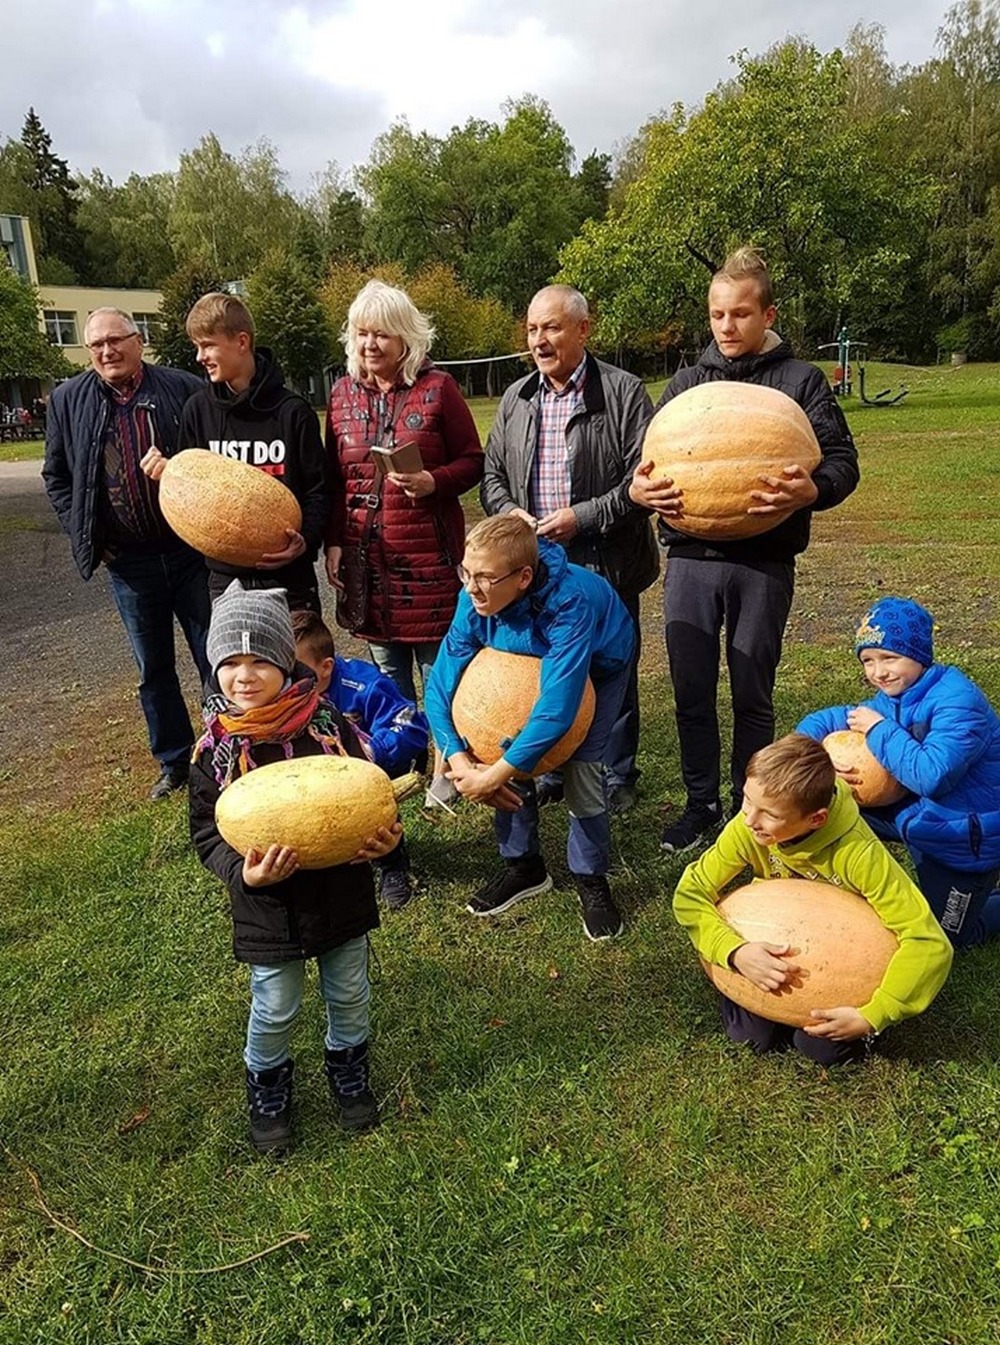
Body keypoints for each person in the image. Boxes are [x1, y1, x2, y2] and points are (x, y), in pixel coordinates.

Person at [630, 247, 859, 852]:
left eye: (739, 314)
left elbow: (842, 462)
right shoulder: (685, 385)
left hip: (764, 562)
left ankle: (748, 803)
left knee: (753, 688)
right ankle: (700, 801)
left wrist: (815, 488)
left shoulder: (801, 380)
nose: (726, 327)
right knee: (692, 688)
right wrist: (640, 488)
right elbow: (646, 466)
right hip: (690, 560)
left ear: (767, 314)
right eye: (716, 315)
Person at [189, 581, 401, 1152]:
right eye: (230, 662)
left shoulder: (328, 727)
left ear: (287, 661)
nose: (244, 675)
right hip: (267, 908)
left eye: (260, 659)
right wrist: (245, 875)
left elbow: (369, 799)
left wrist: (385, 846)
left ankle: (348, 1073)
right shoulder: (214, 751)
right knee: (275, 1004)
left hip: (341, 894)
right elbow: (208, 834)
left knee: (350, 991)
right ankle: (268, 1086)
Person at [480, 284, 658, 814]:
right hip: (535, 568)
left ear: (583, 329)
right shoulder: (517, 398)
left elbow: (641, 482)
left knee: (610, 668)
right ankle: (556, 762)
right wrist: (511, 513)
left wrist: (581, 519)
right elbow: (492, 475)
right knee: (543, 671)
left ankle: (617, 771)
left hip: (605, 562)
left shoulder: (624, 393)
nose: (540, 340)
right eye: (533, 329)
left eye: (552, 327)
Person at [673, 734, 953, 1065]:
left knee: (822, 1049)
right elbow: (690, 893)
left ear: (816, 819)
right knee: (751, 1038)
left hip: (842, 965)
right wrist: (734, 951)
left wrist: (874, 1014)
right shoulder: (748, 828)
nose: (749, 819)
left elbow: (929, 943)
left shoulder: (859, 853)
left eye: (769, 814)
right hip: (768, 943)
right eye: (748, 801)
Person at [424, 515, 635, 942]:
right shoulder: (475, 599)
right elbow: (438, 689)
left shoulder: (568, 604)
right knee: (495, 734)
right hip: (522, 665)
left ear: (523, 577)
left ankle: (591, 878)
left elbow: (558, 709)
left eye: (485, 577)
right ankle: (524, 868)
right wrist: (463, 761)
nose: (471, 587)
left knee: (582, 766)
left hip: (600, 662)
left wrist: (493, 777)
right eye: (466, 572)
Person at [324, 279, 484, 808]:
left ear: (407, 339)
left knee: (441, 673)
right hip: (369, 563)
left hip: (430, 561)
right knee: (387, 674)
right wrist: (334, 543)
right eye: (362, 333)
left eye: (383, 334)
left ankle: (448, 765)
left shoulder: (438, 389)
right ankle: (401, 759)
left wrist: (434, 481)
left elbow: (472, 460)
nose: (371, 344)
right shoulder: (341, 394)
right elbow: (334, 477)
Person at [42, 306, 211, 800]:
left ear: (138, 342)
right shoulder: (69, 400)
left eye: (116, 341)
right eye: (96, 345)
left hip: (188, 552)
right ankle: (174, 761)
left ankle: (225, 748)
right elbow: (57, 477)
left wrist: (177, 467)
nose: (107, 352)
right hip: (129, 563)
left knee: (212, 656)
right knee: (152, 667)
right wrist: (86, 528)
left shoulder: (182, 388)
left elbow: (208, 460)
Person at [797, 596, 1000, 948]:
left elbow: (931, 776)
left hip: (965, 839)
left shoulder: (958, 702)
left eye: (890, 657)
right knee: (822, 808)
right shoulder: (894, 698)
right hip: (920, 818)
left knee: (946, 941)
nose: (879, 672)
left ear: (920, 655)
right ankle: (832, 880)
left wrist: (879, 731)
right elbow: (829, 719)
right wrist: (805, 752)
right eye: (868, 660)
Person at [142, 292, 329, 613]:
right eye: (196, 347)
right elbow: (190, 491)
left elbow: (319, 490)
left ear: (241, 341)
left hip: (290, 579)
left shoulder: (293, 412)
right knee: (237, 666)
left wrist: (305, 541)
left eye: (208, 345)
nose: (200, 357)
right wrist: (166, 474)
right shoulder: (197, 410)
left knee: (301, 665)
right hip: (225, 582)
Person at [292, 608, 428, 912]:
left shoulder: (364, 685)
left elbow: (411, 727)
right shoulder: (286, 693)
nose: (290, 679)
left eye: (297, 671)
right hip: (320, 773)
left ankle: (392, 864)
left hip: (373, 766)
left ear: (325, 668)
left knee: (375, 805)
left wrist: (372, 750)